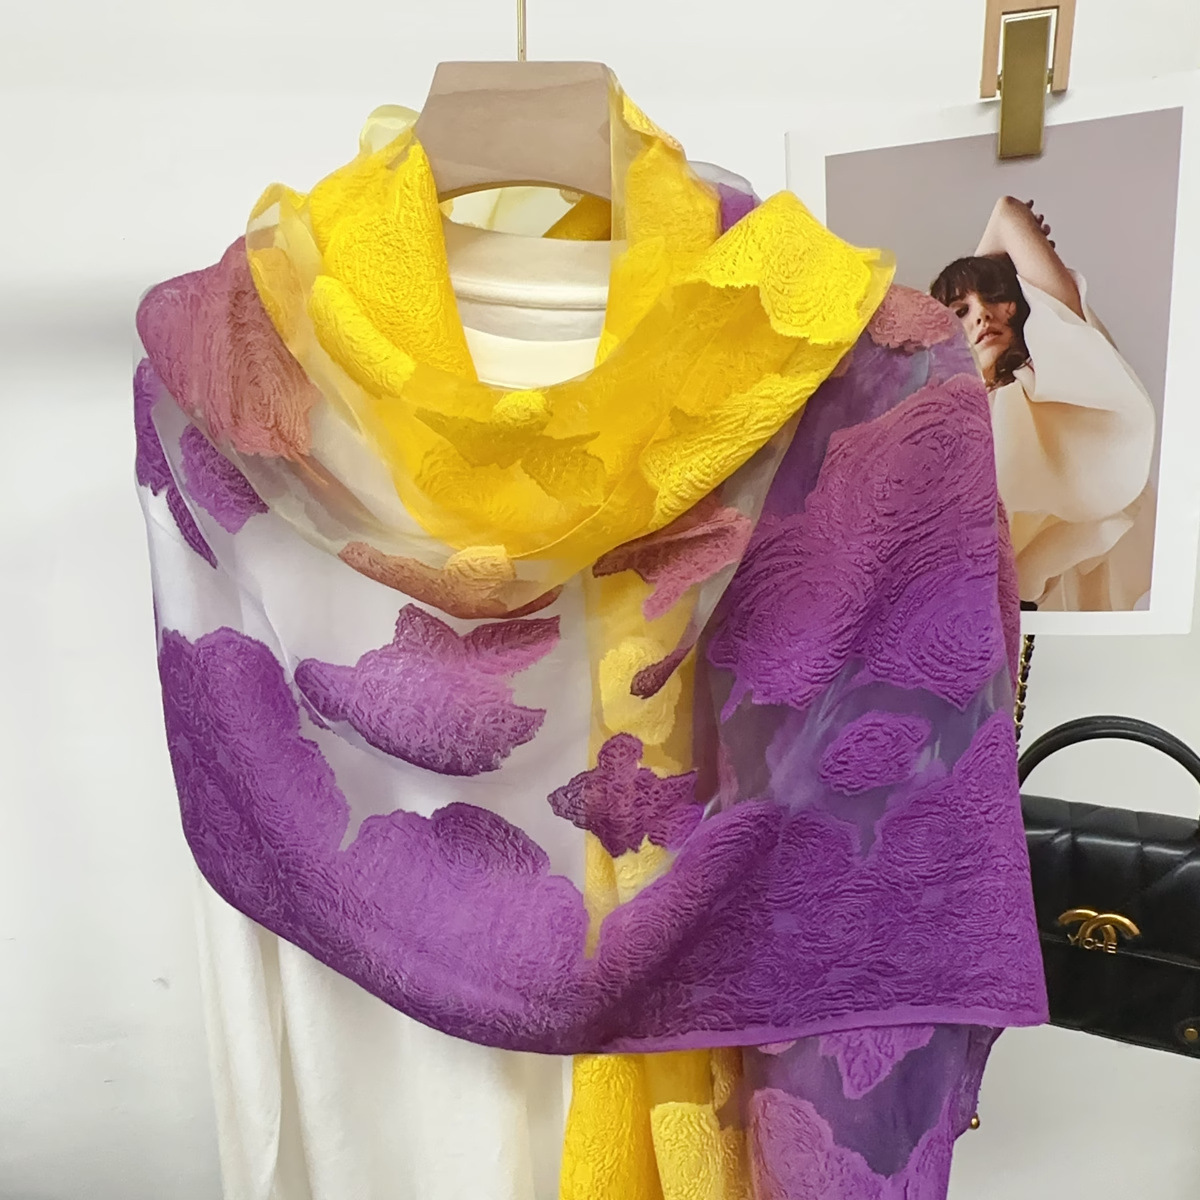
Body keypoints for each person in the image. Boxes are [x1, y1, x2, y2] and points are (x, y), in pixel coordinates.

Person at [931, 195, 1156, 611]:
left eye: (995, 296)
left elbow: (1006, 212)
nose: (982, 315)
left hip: (1034, 607)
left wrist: (1000, 261)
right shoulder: (942, 410)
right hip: (957, 605)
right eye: (961, 310)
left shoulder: (1055, 370)